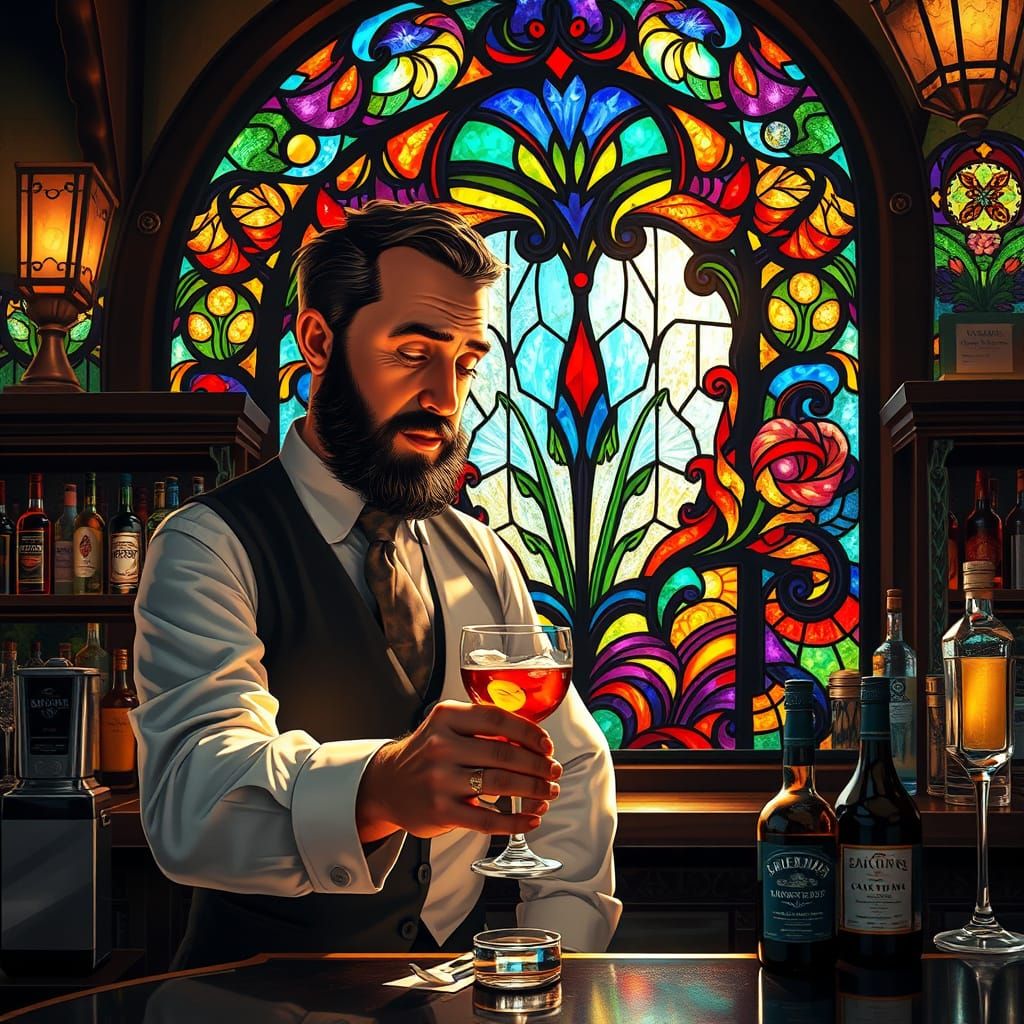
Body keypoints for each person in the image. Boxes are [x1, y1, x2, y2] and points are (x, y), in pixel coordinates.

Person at [132, 200, 620, 969]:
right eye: (413, 352)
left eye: (465, 361)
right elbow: (189, 801)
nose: (445, 397)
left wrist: (555, 951)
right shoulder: (207, 545)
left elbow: (573, 763)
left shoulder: (480, 557)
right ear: (319, 340)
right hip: (251, 998)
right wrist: (378, 789)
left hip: (452, 995)